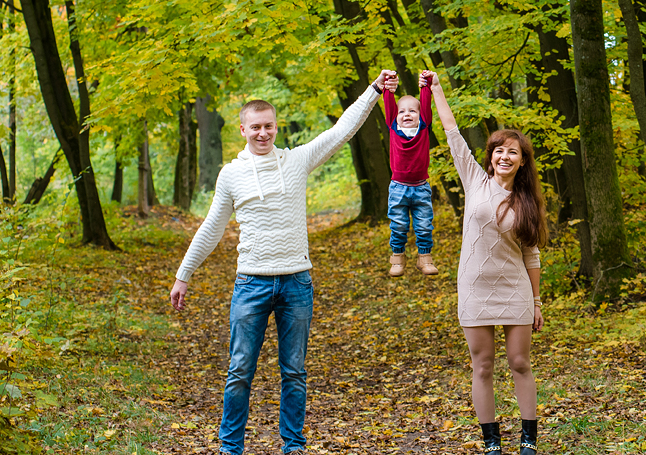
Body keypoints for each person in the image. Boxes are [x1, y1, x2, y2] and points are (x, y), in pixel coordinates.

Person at [168, 70, 394, 455]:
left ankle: (293, 445)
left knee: (294, 372)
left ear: (276, 127)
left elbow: (340, 131)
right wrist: (183, 275)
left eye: (268, 126)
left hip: (296, 282)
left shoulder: (297, 161)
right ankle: (230, 448)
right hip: (251, 284)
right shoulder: (231, 175)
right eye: (255, 127)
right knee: (239, 371)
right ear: (242, 130)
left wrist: (373, 90)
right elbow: (211, 227)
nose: (262, 133)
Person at [425, 70, 547, 455]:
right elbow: (451, 132)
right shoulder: (475, 181)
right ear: (491, 157)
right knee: (482, 366)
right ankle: (491, 443)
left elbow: (532, 253)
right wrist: (438, 90)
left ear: (522, 162)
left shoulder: (528, 203)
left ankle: (528, 439)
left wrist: (538, 302)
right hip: (474, 289)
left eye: (513, 151)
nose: (505, 155)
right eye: (499, 149)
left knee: (520, 362)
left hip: (515, 290)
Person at [381, 70, 439, 277]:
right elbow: (388, 105)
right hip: (398, 187)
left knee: (424, 226)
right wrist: (388, 88)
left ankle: (425, 259)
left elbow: (425, 105)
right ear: (395, 116)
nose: (407, 115)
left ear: (420, 115)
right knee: (398, 226)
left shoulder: (423, 127)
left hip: (421, 187)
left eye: (412, 111)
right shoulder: (393, 128)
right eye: (402, 111)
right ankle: (397, 259)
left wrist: (425, 86)